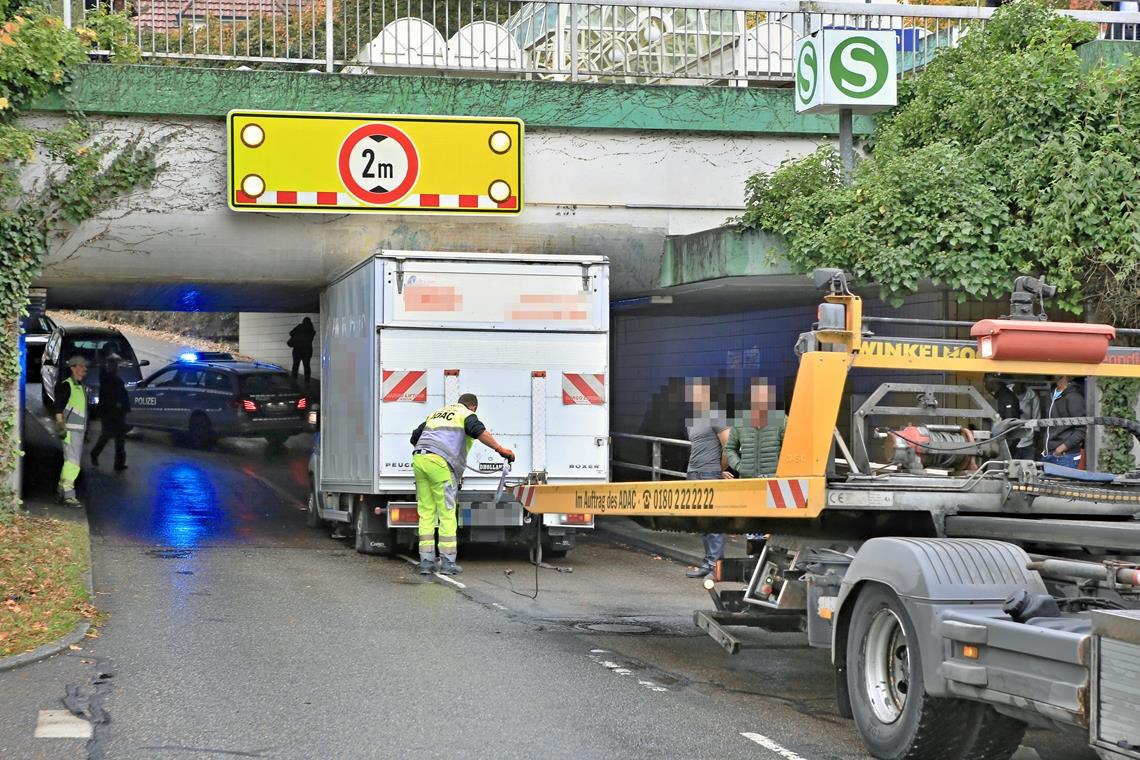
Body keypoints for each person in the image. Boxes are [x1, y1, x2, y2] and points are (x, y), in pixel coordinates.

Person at [409, 393, 515, 576]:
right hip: (439, 465)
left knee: (426, 512)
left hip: (419, 460)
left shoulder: (436, 414)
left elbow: (414, 437)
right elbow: (480, 432)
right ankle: (448, 562)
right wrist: (501, 450)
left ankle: (426, 562)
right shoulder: (466, 414)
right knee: (447, 512)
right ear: (473, 407)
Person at [684, 378, 732, 579]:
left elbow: (728, 446)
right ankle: (708, 563)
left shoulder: (716, 416)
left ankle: (715, 567)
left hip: (709, 474)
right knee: (703, 523)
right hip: (693, 474)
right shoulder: (692, 421)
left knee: (713, 524)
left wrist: (719, 469)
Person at [724, 379, 786, 480]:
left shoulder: (781, 419)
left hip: (774, 481)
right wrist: (739, 466)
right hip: (747, 480)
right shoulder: (740, 421)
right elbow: (729, 448)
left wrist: (781, 469)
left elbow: (789, 448)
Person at [53, 356, 90, 507]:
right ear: (73, 368)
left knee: (70, 462)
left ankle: (61, 492)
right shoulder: (66, 386)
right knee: (73, 463)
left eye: (85, 366)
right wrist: (61, 425)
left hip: (78, 432)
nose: (85, 369)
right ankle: (69, 496)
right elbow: (58, 407)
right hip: (70, 432)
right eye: (82, 366)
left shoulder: (80, 386)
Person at [90, 355, 131, 471]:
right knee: (112, 436)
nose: (116, 367)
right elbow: (119, 396)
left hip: (111, 412)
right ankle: (116, 462)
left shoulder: (108, 378)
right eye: (115, 365)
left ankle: (118, 463)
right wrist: (122, 407)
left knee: (114, 437)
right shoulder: (111, 379)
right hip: (112, 413)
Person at [1042, 376, 1085, 468]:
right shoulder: (1050, 395)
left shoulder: (1074, 397)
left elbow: (1082, 429)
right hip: (1048, 453)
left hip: (1066, 455)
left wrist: (1061, 449)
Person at [1012, 382, 1041, 460]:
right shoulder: (1007, 393)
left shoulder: (1032, 395)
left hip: (1028, 442)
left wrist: (1035, 445)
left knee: (1028, 469)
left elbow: (1036, 420)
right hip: (1011, 441)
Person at [288, 317, 316, 388]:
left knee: (295, 365)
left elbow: (291, 333)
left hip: (297, 350)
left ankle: (293, 381)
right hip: (307, 351)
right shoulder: (312, 331)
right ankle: (307, 382)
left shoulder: (300, 326)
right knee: (307, 366)